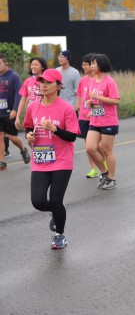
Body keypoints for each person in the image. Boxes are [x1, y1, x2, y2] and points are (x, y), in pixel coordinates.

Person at [23, 69, 79, 249]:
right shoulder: (33, 106)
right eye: (41, 82)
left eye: (48, 82)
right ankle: (56, 212)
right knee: (38, 201)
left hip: (61, 161)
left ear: (58, 85)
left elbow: (72, 136)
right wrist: (29, 136)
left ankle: (59, 235)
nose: (43, 85)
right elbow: (28, 126)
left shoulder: (66, 108)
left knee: (56, 200)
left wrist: (54, 129)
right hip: (40, 159)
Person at [86, 54, 120, 190]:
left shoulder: (109, 81)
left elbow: (116, 100)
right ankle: (104, 172)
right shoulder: (91, 81)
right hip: (95, 120)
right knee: (90, 148)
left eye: (94, 63)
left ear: (101, 65)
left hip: (108, 121)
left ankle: (112, 179)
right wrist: (90, 103)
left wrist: (98, 97)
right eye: (91, 63)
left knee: (107, 151)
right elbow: (94, 101)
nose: (91, 66)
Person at [76, 53, 107, 178]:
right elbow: (79, 96)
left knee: (98, 144)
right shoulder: (83, 80)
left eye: (86, 64)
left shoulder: (98, 80)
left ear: (92, 65)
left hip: (95, 115)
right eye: (82, 65)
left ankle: (104, 162)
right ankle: (93, 168)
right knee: (87, 144)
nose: (83, 67)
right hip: (83, 115)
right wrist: (79, 109)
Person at [0, 53, 31, 170]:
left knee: (12, 138)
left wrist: (14, 110)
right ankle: (2, 161)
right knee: (0, 135)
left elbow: (19, 95)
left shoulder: (14, 76)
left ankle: (23, 150)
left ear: (6, 64)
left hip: (10, 112)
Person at [15, 57, 48, 130]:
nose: (33, 66)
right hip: (31, 114)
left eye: (35, 65)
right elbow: (23, 99)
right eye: (32, 64)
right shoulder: (27, 81)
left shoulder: (47, 80)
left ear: (42, 67)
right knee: (30, 137)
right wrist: (17, 117)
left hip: (44, 113)